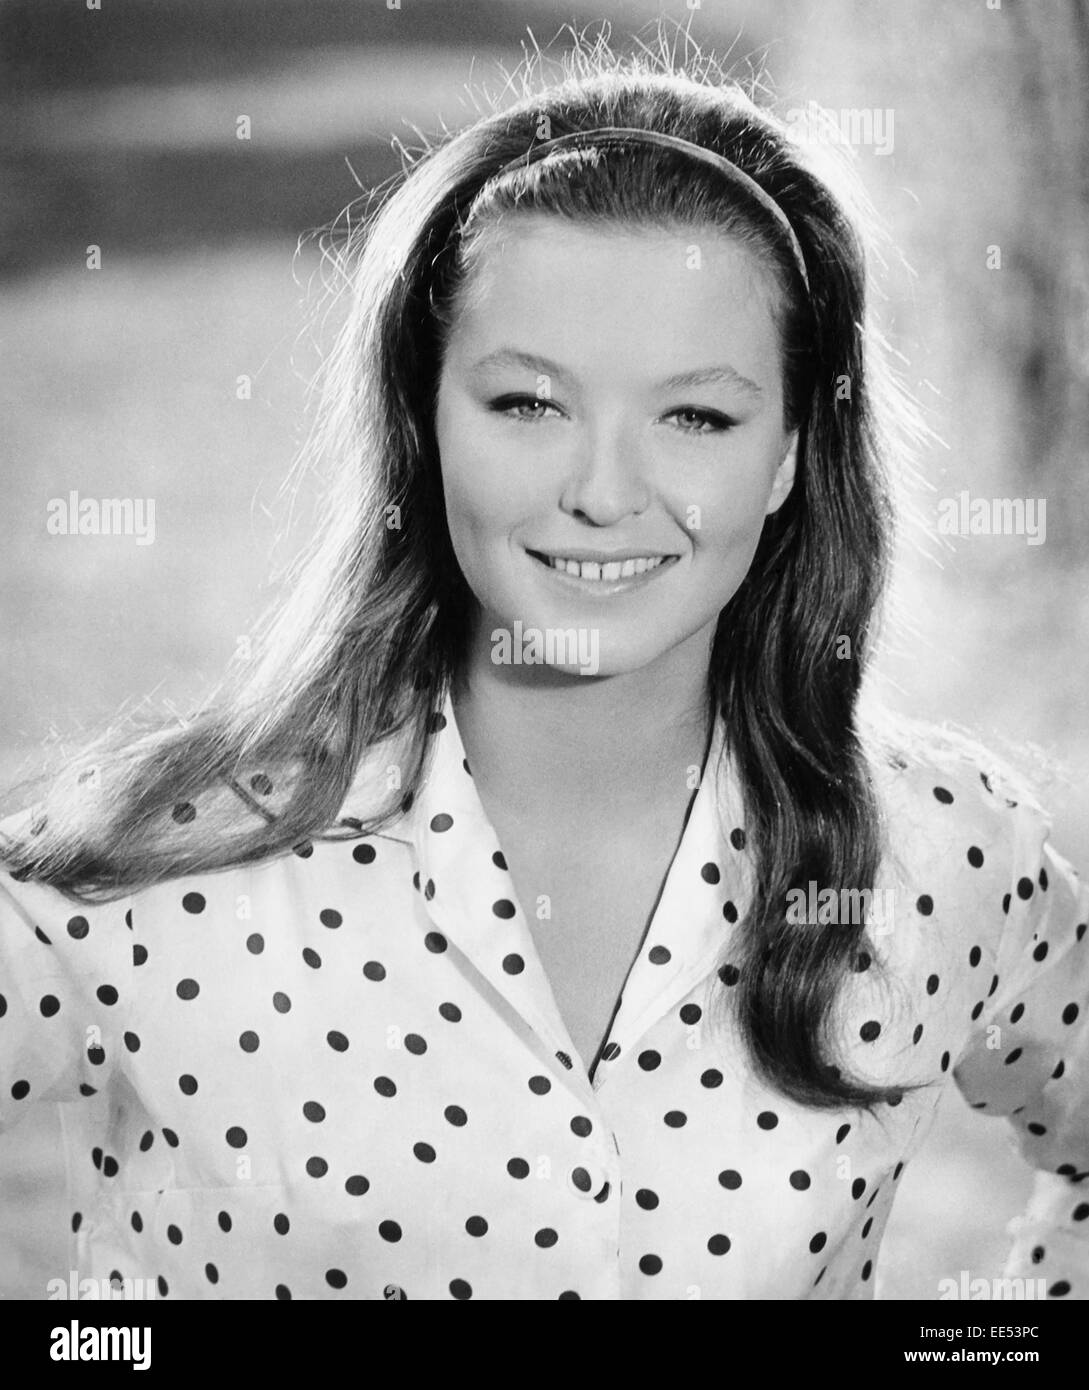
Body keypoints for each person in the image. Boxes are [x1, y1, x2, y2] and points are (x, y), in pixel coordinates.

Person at [1, 41, 1087, 1302]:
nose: (603, 492)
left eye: (697, 416)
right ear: (427, 420)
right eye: (528, 403)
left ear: (791, 456)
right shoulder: (165, 870)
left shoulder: (943, 855)